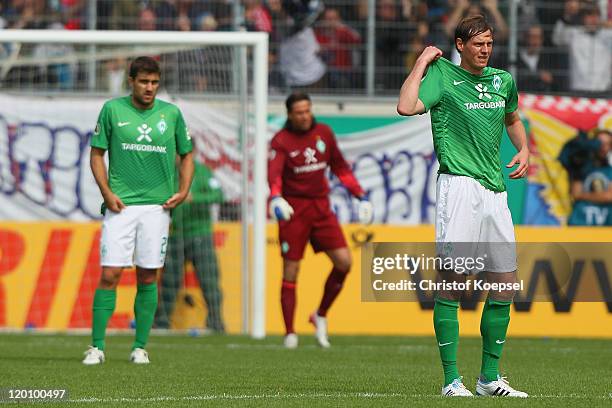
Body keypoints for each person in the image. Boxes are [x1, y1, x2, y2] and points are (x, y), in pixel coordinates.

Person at [397, 15, 529, 397]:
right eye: (478, 44)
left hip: (495, 192)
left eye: (489, 43)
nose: (485, 50)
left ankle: (489, 378)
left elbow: (513, 117)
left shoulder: (503, 81)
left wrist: (524, 147)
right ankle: (451, 380)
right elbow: (406, 106)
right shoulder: (443, 77)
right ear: (460, 46)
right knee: (454, 283)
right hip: (458, 188)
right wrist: (422, 62)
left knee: (505, 284)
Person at [83, 56, 194, 365]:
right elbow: (96, 155)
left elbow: (187, 154)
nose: (150, 88)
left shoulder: (171, 114)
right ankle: (96, 347)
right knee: (110, 273)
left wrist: (183, 191)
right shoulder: (112, 110)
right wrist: (107, 192)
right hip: (121, 206)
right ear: (130, 81)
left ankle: (140, 346)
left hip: (157, 209)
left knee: (148, 276)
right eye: (144, 82)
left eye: (155, 82)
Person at [268, 92, 373, 349]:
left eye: (307, 110)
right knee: (291, 270)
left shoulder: (324, 133)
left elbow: (340, 167)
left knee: (345, 262)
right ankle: (290, 333)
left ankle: (320, 314)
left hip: (321, 209)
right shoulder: (281, 140)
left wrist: (360, 196)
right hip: (294, 212)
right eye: (299, 112)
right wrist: (275, 197)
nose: (305, 116)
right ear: (290, 115)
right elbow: (274, 174)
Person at [155, 159, 226, 332]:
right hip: (175, 235)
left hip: (200, 234)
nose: (177, 157)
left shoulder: (203, 172)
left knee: (209, 281)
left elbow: (219, 195)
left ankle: (216, 323)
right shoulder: (167, 172)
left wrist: (194, 198)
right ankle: (161, 324)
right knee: (169, 283)